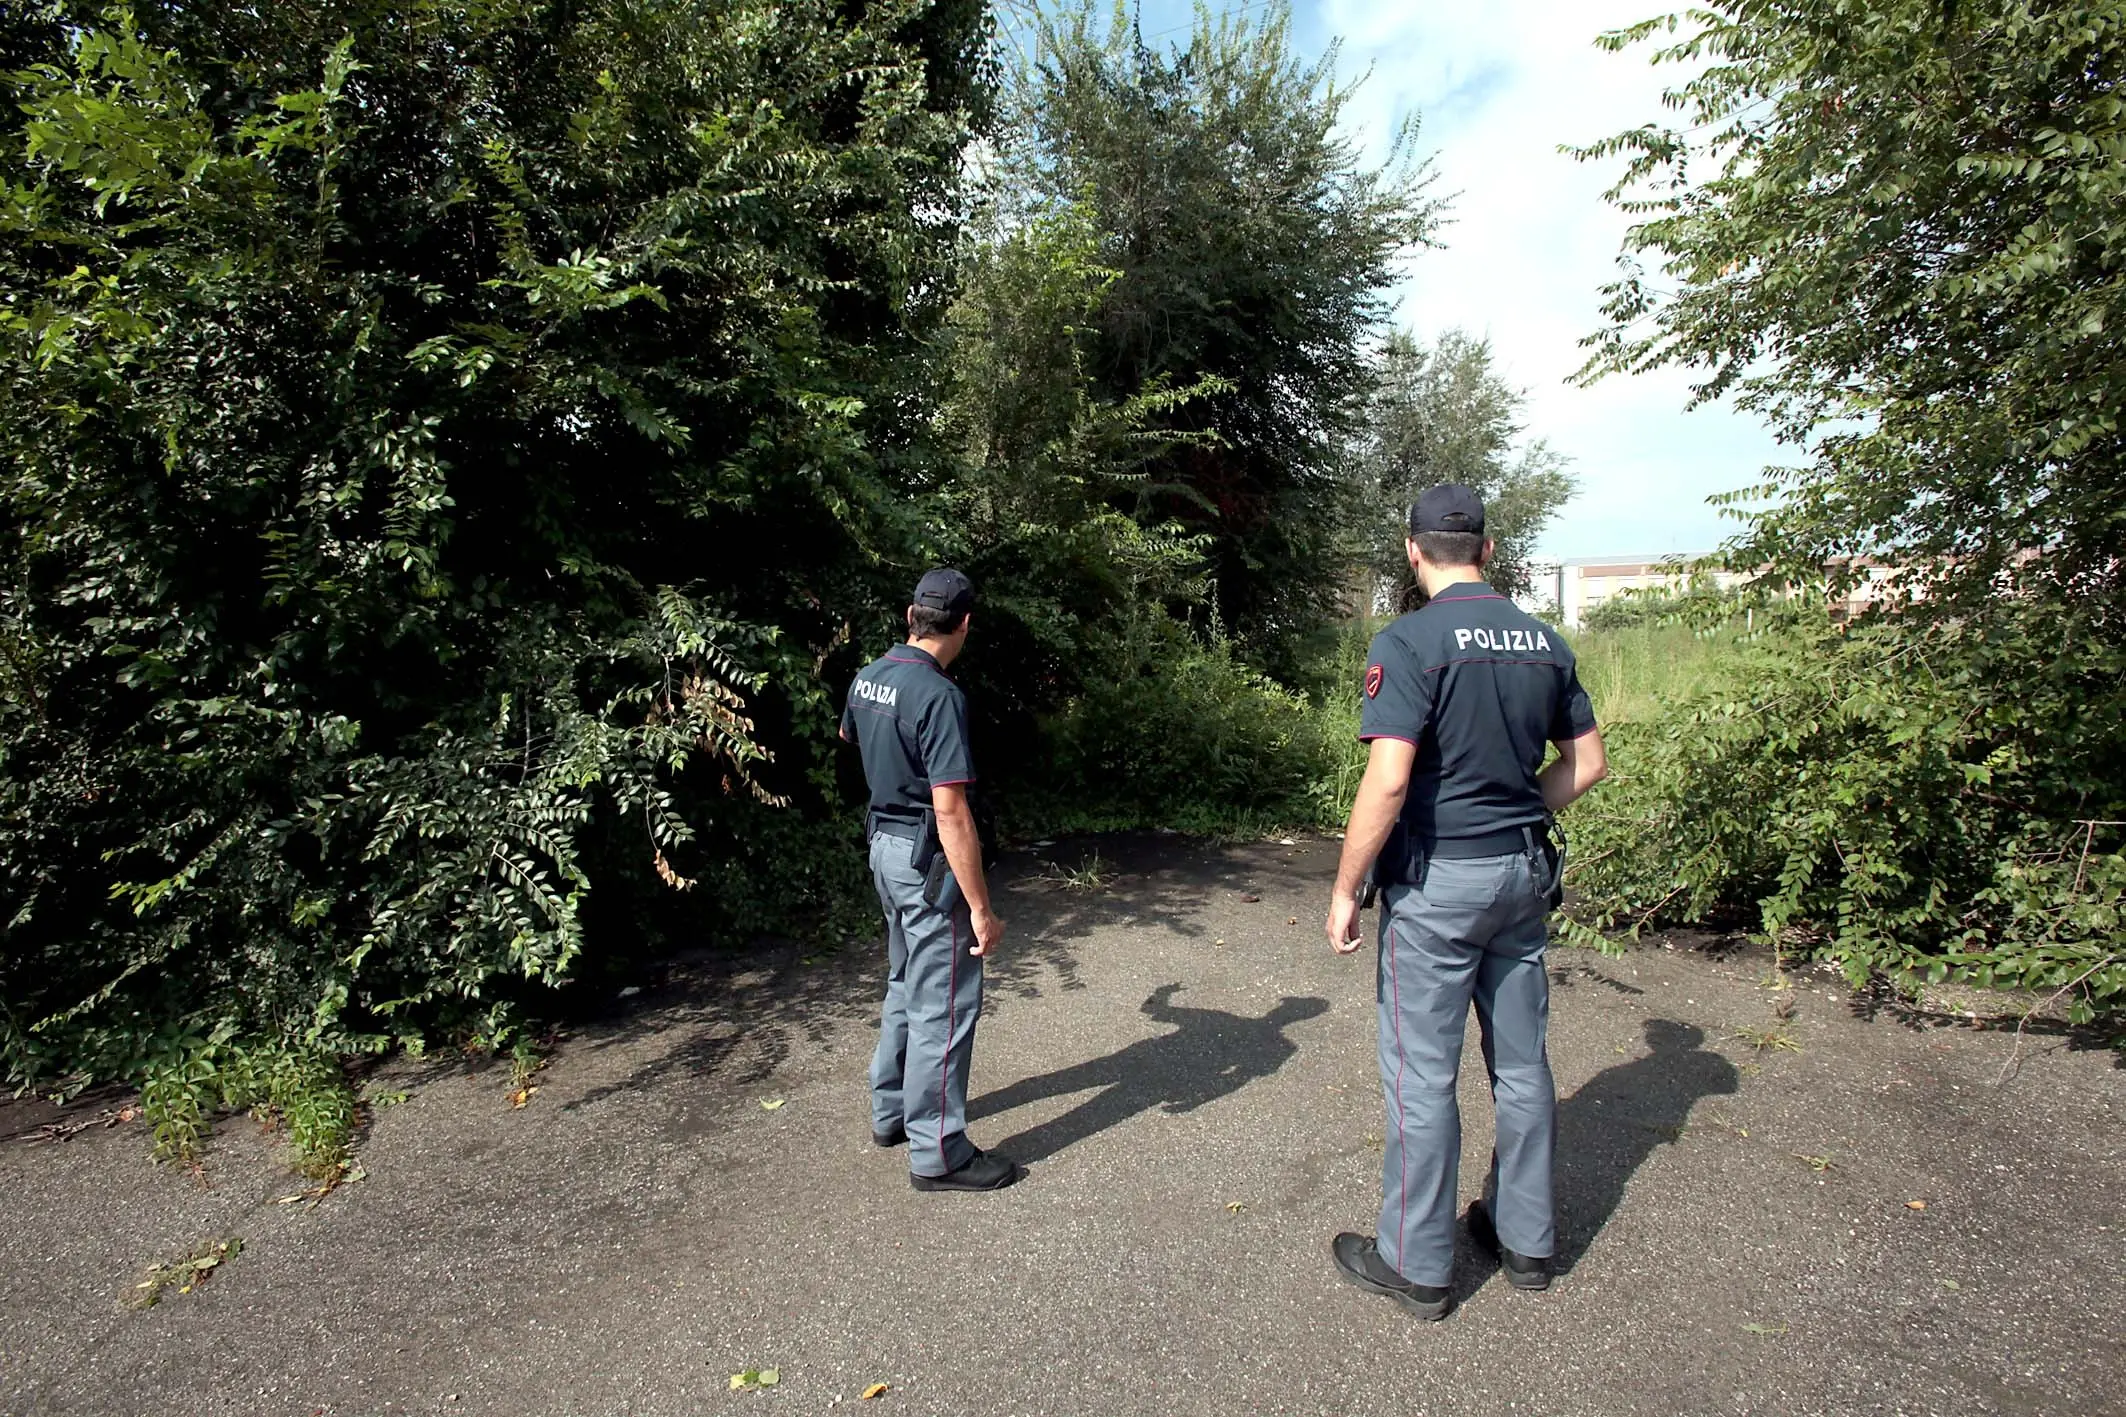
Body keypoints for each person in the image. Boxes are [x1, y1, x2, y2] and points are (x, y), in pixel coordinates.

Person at [1322, 485, 1608, 1320]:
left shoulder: (1408, 642)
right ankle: (1525, 1241)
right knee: (1521, 1065)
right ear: (1486, 550)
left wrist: (1346, 889)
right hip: (1520, 876)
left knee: (1422, 1073)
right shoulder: (1545, 642)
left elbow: (1389, 778)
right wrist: (1521, 812)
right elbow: (1586, 764)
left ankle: (1417, 1263)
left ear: (1414, 553)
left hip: (1440, 883)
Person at [840, 568, 1019, 1192]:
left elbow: (851, 735)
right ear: (965, 624)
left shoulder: (869, 676)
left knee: (902, 982)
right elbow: (951, 809)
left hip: (883, 849)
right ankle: (938, 1152)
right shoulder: (938, 695)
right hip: (925, 857)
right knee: (945, 1002)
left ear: (911, 614)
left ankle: (891, 1115)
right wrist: (979, 907)